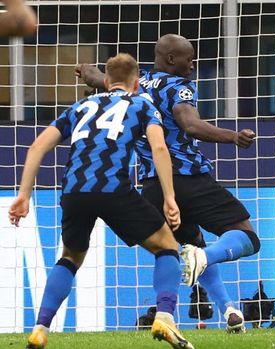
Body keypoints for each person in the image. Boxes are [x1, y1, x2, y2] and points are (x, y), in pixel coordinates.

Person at [75, 34, 260, 333]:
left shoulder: (138, 86)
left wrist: (87, 71)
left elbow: (101, 78)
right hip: (187, 178)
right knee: (247, 238)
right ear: (172, 60)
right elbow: (190, 124)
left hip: (152, 187)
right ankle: (206, 260)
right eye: (189, 58)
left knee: (190, 246)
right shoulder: (180, 88)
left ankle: (227, 311)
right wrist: (233, 137)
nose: (193, 64)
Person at [10, 53, 194, 349]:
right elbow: (159, 147)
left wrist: (23, 195)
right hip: (112, 188)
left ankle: (41, 328)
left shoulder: (80, 106)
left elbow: (36, 147)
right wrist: (170, 197)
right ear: (136, 83)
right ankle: (164, 316)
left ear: (106, 82)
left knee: (70, 257)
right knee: (167, 246)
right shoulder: (142, 104)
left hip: (73, 191)